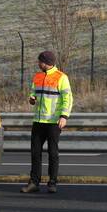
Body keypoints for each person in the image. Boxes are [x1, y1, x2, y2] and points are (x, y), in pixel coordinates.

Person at [21, 50, 73, 194]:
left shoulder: (61, 77)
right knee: (35, 153)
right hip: (38, 121)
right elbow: (33, 93)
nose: (38, 64)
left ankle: (52, 182)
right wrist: (32, 99)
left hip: (53, 122)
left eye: (40, 61)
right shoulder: (37, 76)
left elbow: (67, 99)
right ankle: (34, 183)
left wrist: (64, 116)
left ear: (46, 63)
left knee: (52, 153)